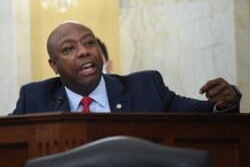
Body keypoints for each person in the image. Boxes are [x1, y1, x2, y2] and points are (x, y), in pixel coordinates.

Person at [11, 21, 241, 115]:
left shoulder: (146, 87)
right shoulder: (34, 99)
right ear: (54, 66)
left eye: (89, 43)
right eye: (69, 49)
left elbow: (205, 115)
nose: (83, 51)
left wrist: (225, 102)